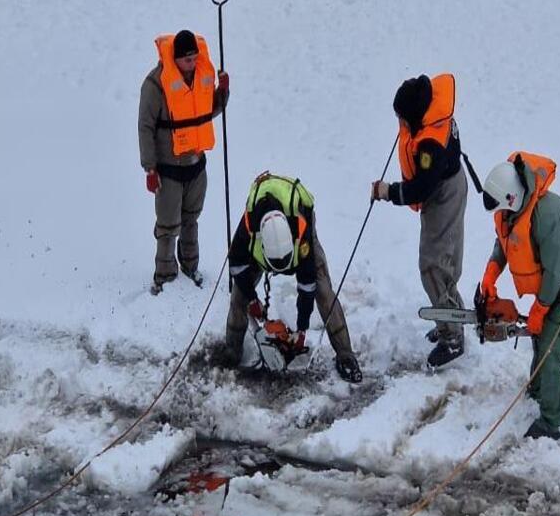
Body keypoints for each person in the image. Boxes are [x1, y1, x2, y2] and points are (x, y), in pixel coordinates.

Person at [478, 151, 560, 440]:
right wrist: (491, 273)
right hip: (551, 285)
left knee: (550, 347)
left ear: (512, 197)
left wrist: (540, 310)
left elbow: (555, 270)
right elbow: (504, 243)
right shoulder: (511, 211)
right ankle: (539, 390)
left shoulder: (546, 214)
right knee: (540, 339)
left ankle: (552, 422)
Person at [224, 172, 363, 383]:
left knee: (323, 291)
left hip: (300, 222)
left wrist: (301, 328)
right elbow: (236, 264)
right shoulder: (248, 226)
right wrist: (252, 299)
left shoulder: (302, 230)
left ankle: (345, 354)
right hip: (260, 234)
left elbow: (307, 283)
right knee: (238, 296)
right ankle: (231, 352)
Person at [369, 73, 468, 368]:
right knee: (443, 260)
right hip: (449, 184)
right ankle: (449, 318)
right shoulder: (428, 112)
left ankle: (452, 337)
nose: (400, 123)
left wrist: (387, 191)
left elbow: (420, 189)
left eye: (402, 119)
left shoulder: (430, 147)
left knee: (433, 264)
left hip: (443, 194)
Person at [138, 29, 229, 295]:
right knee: (168, 225)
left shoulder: (201, 78)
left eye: (194, 58)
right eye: (186, 60)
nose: (191, 64)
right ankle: (165, 275)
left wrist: (222, 92)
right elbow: (145, 127)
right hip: (168, 169)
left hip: (196, 165)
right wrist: (149, 167)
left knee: (192, 219)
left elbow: (208, 111)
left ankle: (191, 267)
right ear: (175, 59)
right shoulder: (155, 85)